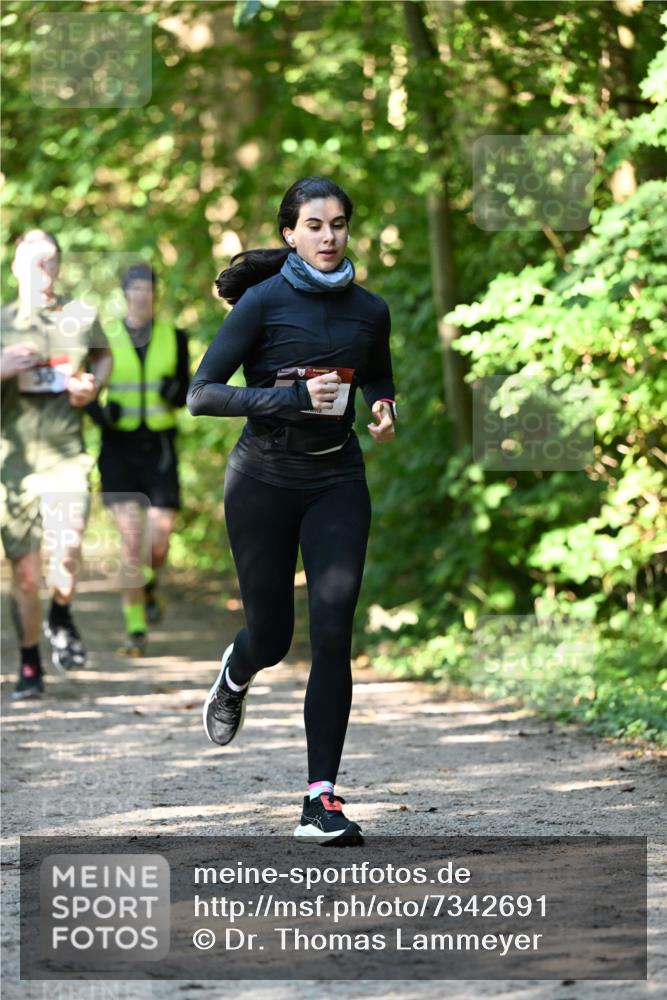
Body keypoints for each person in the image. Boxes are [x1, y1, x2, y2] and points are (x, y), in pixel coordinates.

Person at [188, 176, 397, 845]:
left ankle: (320, 799)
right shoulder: (260, 303)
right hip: (262, 480)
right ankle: (236, 671)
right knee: (273, 638)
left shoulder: (370, 309)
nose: (328, 237)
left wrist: (382, 407)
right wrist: (286, 401)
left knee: (333, 634)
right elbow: (202, 394)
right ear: (289, 234)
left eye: (337, 224)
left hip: (336, 477)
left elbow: (378, 375)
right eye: (313, 225)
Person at [1, 229, 112, 699]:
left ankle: (61, 612)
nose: (43, 270)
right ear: (16, 268)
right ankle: (30, 663)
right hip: (14, 464)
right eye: (33, 261)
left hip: (67, 457)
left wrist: (93, 386)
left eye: (51, 261)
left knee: (66, 550)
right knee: (24, 573)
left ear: (60, 267)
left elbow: (103, 356)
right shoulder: (2, 321)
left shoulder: (80, 315)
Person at [86, 263, 190, 656]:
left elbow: (187, 393)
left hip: (160, 447)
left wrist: (173, 390)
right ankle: (135, 630)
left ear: (155, 294)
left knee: (158, 545)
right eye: (135, 290)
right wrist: (100, 415)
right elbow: (81, 390)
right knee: (132, 541)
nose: (142, 296)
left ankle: (147, 586)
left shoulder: (174, 337)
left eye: (148, 289)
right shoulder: (105, 338)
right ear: (125, 294)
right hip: (118, 449)